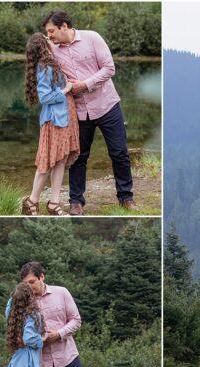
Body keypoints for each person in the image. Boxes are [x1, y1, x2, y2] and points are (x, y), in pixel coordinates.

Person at [42, 9, 138, 214]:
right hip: (78, 110)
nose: (49, 35)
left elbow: (109, 68)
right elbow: (46, 74)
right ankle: (76, 202)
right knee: (77, 156)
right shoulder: (52, 49)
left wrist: (85, 84)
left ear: (64, 26)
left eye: (51, 31)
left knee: (119, 152)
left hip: (107, 104)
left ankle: (126, 197)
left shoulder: (92, 37)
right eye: (48, 33)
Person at [21, 32, 80, 216]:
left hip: (64, 118)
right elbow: (45, 97)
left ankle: (54, 203)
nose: (51, 40)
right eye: (48, 40)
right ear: (44, 47)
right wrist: (66, 90)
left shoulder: (51, 64)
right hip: (55, 120)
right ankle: (31, 202)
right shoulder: (45, 67)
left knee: (60, 160)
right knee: (46, 162)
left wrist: (66, 85)